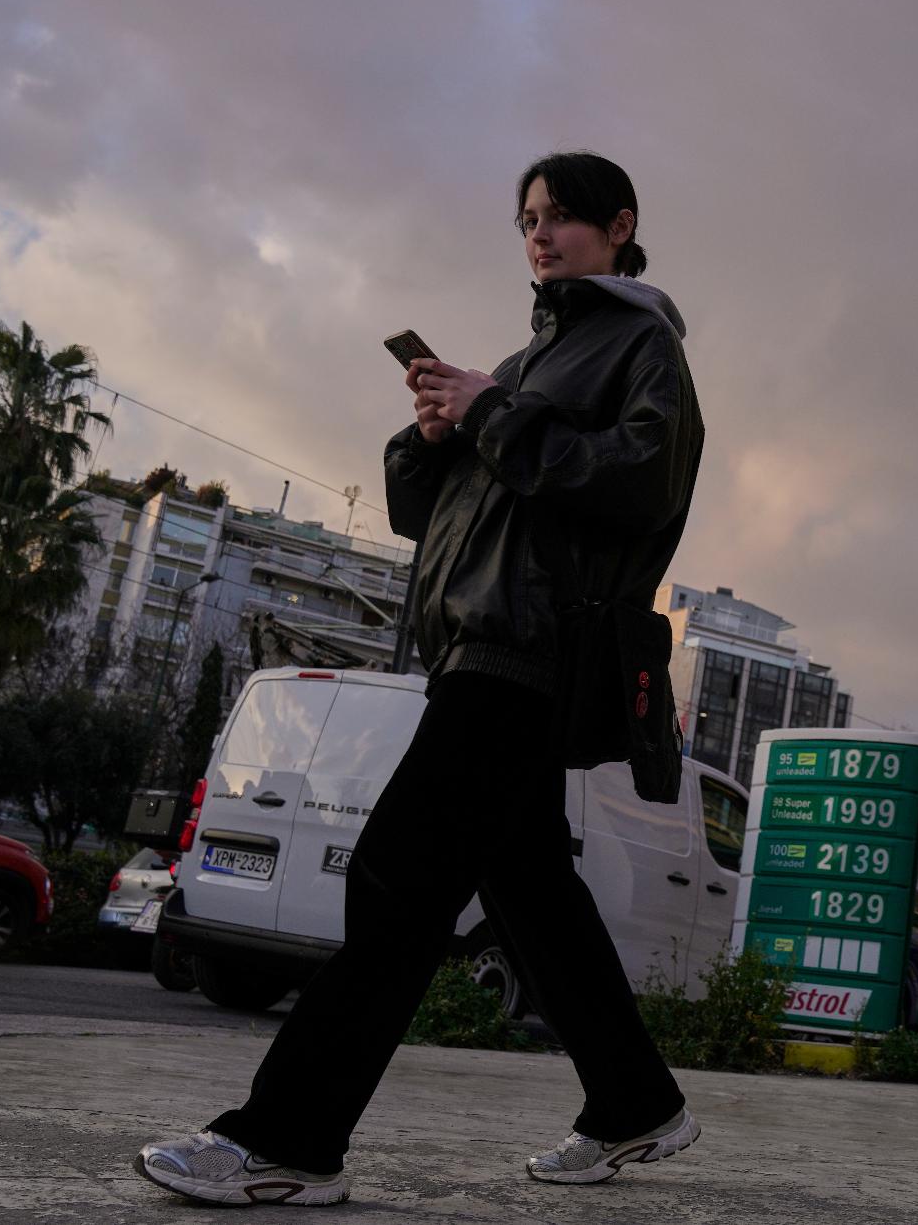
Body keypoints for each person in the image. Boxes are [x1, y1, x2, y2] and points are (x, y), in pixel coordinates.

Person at [135, 151, 706, 1207]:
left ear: (620, 226)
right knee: (531, 891)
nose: (540, 237)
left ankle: (290, 1144)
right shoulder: (525, 361)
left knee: (397, 880)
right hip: (476, 649)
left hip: (531, 653)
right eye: (528, 220)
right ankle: (634, 1105)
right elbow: (430, 518)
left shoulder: (644, 348)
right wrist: (432, 434)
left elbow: (632, 487)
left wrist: (494, 413)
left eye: (564, 220)